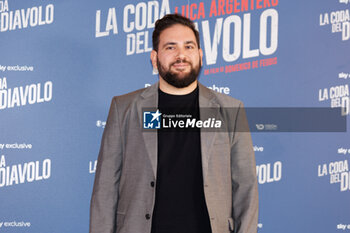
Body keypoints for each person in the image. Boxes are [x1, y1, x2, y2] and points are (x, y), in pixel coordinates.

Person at [90, 14, 258, 233]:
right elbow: (105, 188)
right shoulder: (124, 108)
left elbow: (245, 187)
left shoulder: (230, 110)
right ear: (154, 57)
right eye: (170, 47)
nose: (181, 55)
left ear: (200, 55)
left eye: (189, 47)